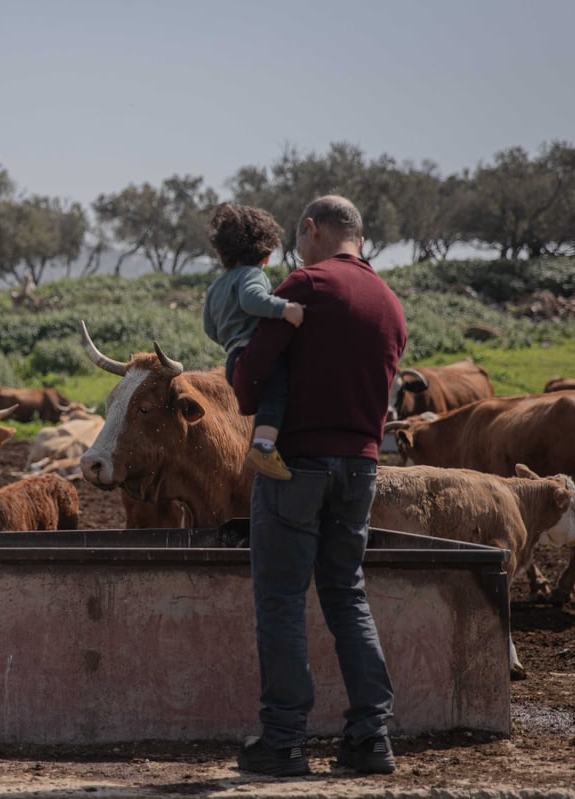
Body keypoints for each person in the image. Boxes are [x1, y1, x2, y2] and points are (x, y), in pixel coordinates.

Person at [230, 195, 408, 777]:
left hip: (297, 466)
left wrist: (243, 384)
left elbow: (256, 369)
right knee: (346, 592)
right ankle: (370, 737)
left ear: (311, 230)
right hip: (361, 468)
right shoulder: (390, 303)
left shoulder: (306, 284)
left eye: (298, 239)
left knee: (280, 598)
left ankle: (283, 742)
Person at [201, 203, 304, 480]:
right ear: (266, 254)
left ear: (222, 252)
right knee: (276, 396)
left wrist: (228, 336)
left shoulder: (216, 286)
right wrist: (285, 309)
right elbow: (252, 299)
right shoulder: (252, 275)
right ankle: (264, 448)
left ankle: (263, 444)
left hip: (233, 359)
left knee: (264, 404)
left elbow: (209, 328)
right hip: (255, 354)